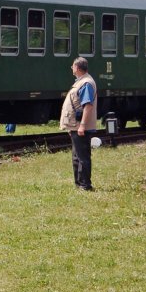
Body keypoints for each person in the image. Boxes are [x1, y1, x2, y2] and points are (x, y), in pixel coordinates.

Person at [59, 56, 97, 191]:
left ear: (77, 68)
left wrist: (82, 126)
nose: (71, 68)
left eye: (72, 66)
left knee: (82, 157)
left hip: (81, 127)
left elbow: (88, 106)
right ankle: (79, 183)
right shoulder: (81, 82)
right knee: (77, 157)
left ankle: (85, 185)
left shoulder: (86, 83)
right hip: (75, 126)